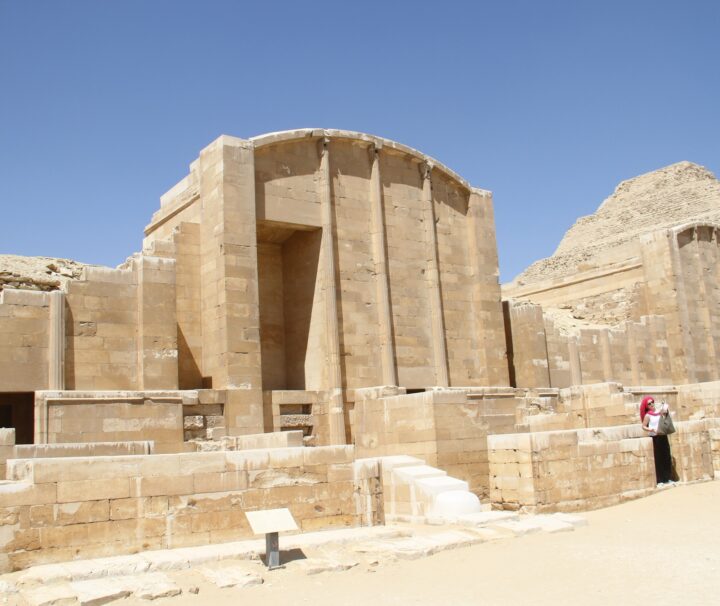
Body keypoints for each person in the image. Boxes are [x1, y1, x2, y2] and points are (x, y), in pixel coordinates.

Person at [640, 396, 673, 484]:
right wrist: (650, 429)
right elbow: (643, 426)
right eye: (649, 404)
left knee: (666, 456)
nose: (651, 404)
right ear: (646, 406)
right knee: (658, 458)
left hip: (662, 435)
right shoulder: (648, 415)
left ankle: (667, 477)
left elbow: (665, 413)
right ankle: (660, 479)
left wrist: (665, 407)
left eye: (652, 402)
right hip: (655, 437)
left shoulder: (659, 412)